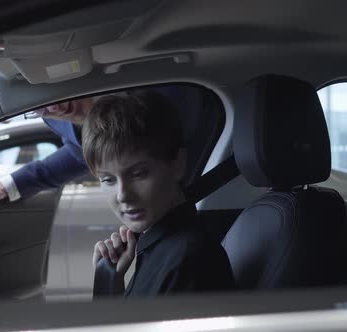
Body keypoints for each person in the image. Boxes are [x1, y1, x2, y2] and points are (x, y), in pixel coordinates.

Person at [83, 92, 235, 297]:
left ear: (177, 164)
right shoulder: (157, 245)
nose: (122, 195)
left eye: (138, 174)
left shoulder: (187, 260)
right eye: (108, 180)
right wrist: (109, 280)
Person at [0, 87, 192, 203]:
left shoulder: (157, 94)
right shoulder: (56, 121)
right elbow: (78, 152)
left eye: (53, 92)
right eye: (39, 106)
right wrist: (10, 185)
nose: (55, 108)